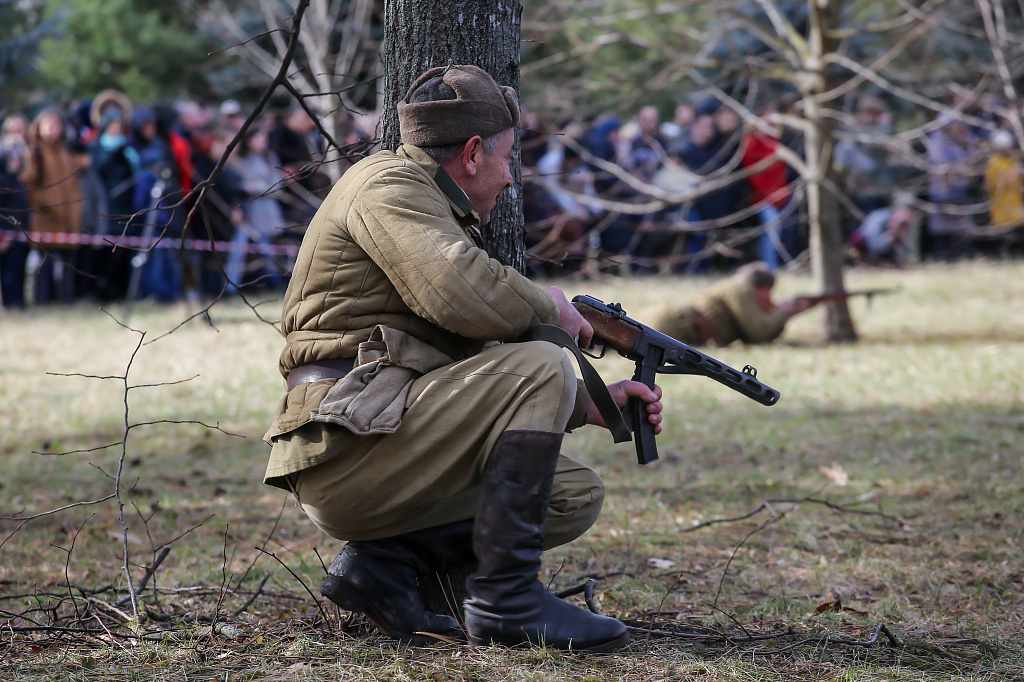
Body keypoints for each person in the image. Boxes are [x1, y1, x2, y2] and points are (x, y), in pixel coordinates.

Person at [262, 64, 664, 652]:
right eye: (507, 159)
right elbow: (460, 292)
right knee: (546, 363)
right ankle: (507, 600)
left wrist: (588, 406)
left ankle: (384, 565)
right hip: (344, 447)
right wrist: (550, 306)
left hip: (384, 436)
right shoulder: (387, 185)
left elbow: (463, 362)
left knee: (571, 495)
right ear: (472, 154)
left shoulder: (430, 208)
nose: (510, 179)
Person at [651, 261, 814, 346]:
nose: (770, 299)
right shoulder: (742, 289)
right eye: (769, 293)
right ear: (762, 287)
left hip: (673, 328)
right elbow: (758, 332)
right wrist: (783, 312)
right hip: (669, 326)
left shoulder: (741, 290)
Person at [22, 109, 83, 305]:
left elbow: (73, 186)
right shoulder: (35, 152)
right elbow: (28, 183)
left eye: (55, 125)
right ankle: (41, 302)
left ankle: (66, 302)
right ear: (38, 128)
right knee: (43, 265)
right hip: (45, 219)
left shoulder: (66, 153)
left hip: (68, 219)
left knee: (67, 265)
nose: (51, 130)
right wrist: (45, 202)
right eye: (47, 125)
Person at [848, 196, 917, 267]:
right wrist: (890, 235)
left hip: (883, 253)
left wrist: (902, 237)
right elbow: (873, 246)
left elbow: (909, 251)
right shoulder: (878, 218)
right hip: (865, 247)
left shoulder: (904, 225)